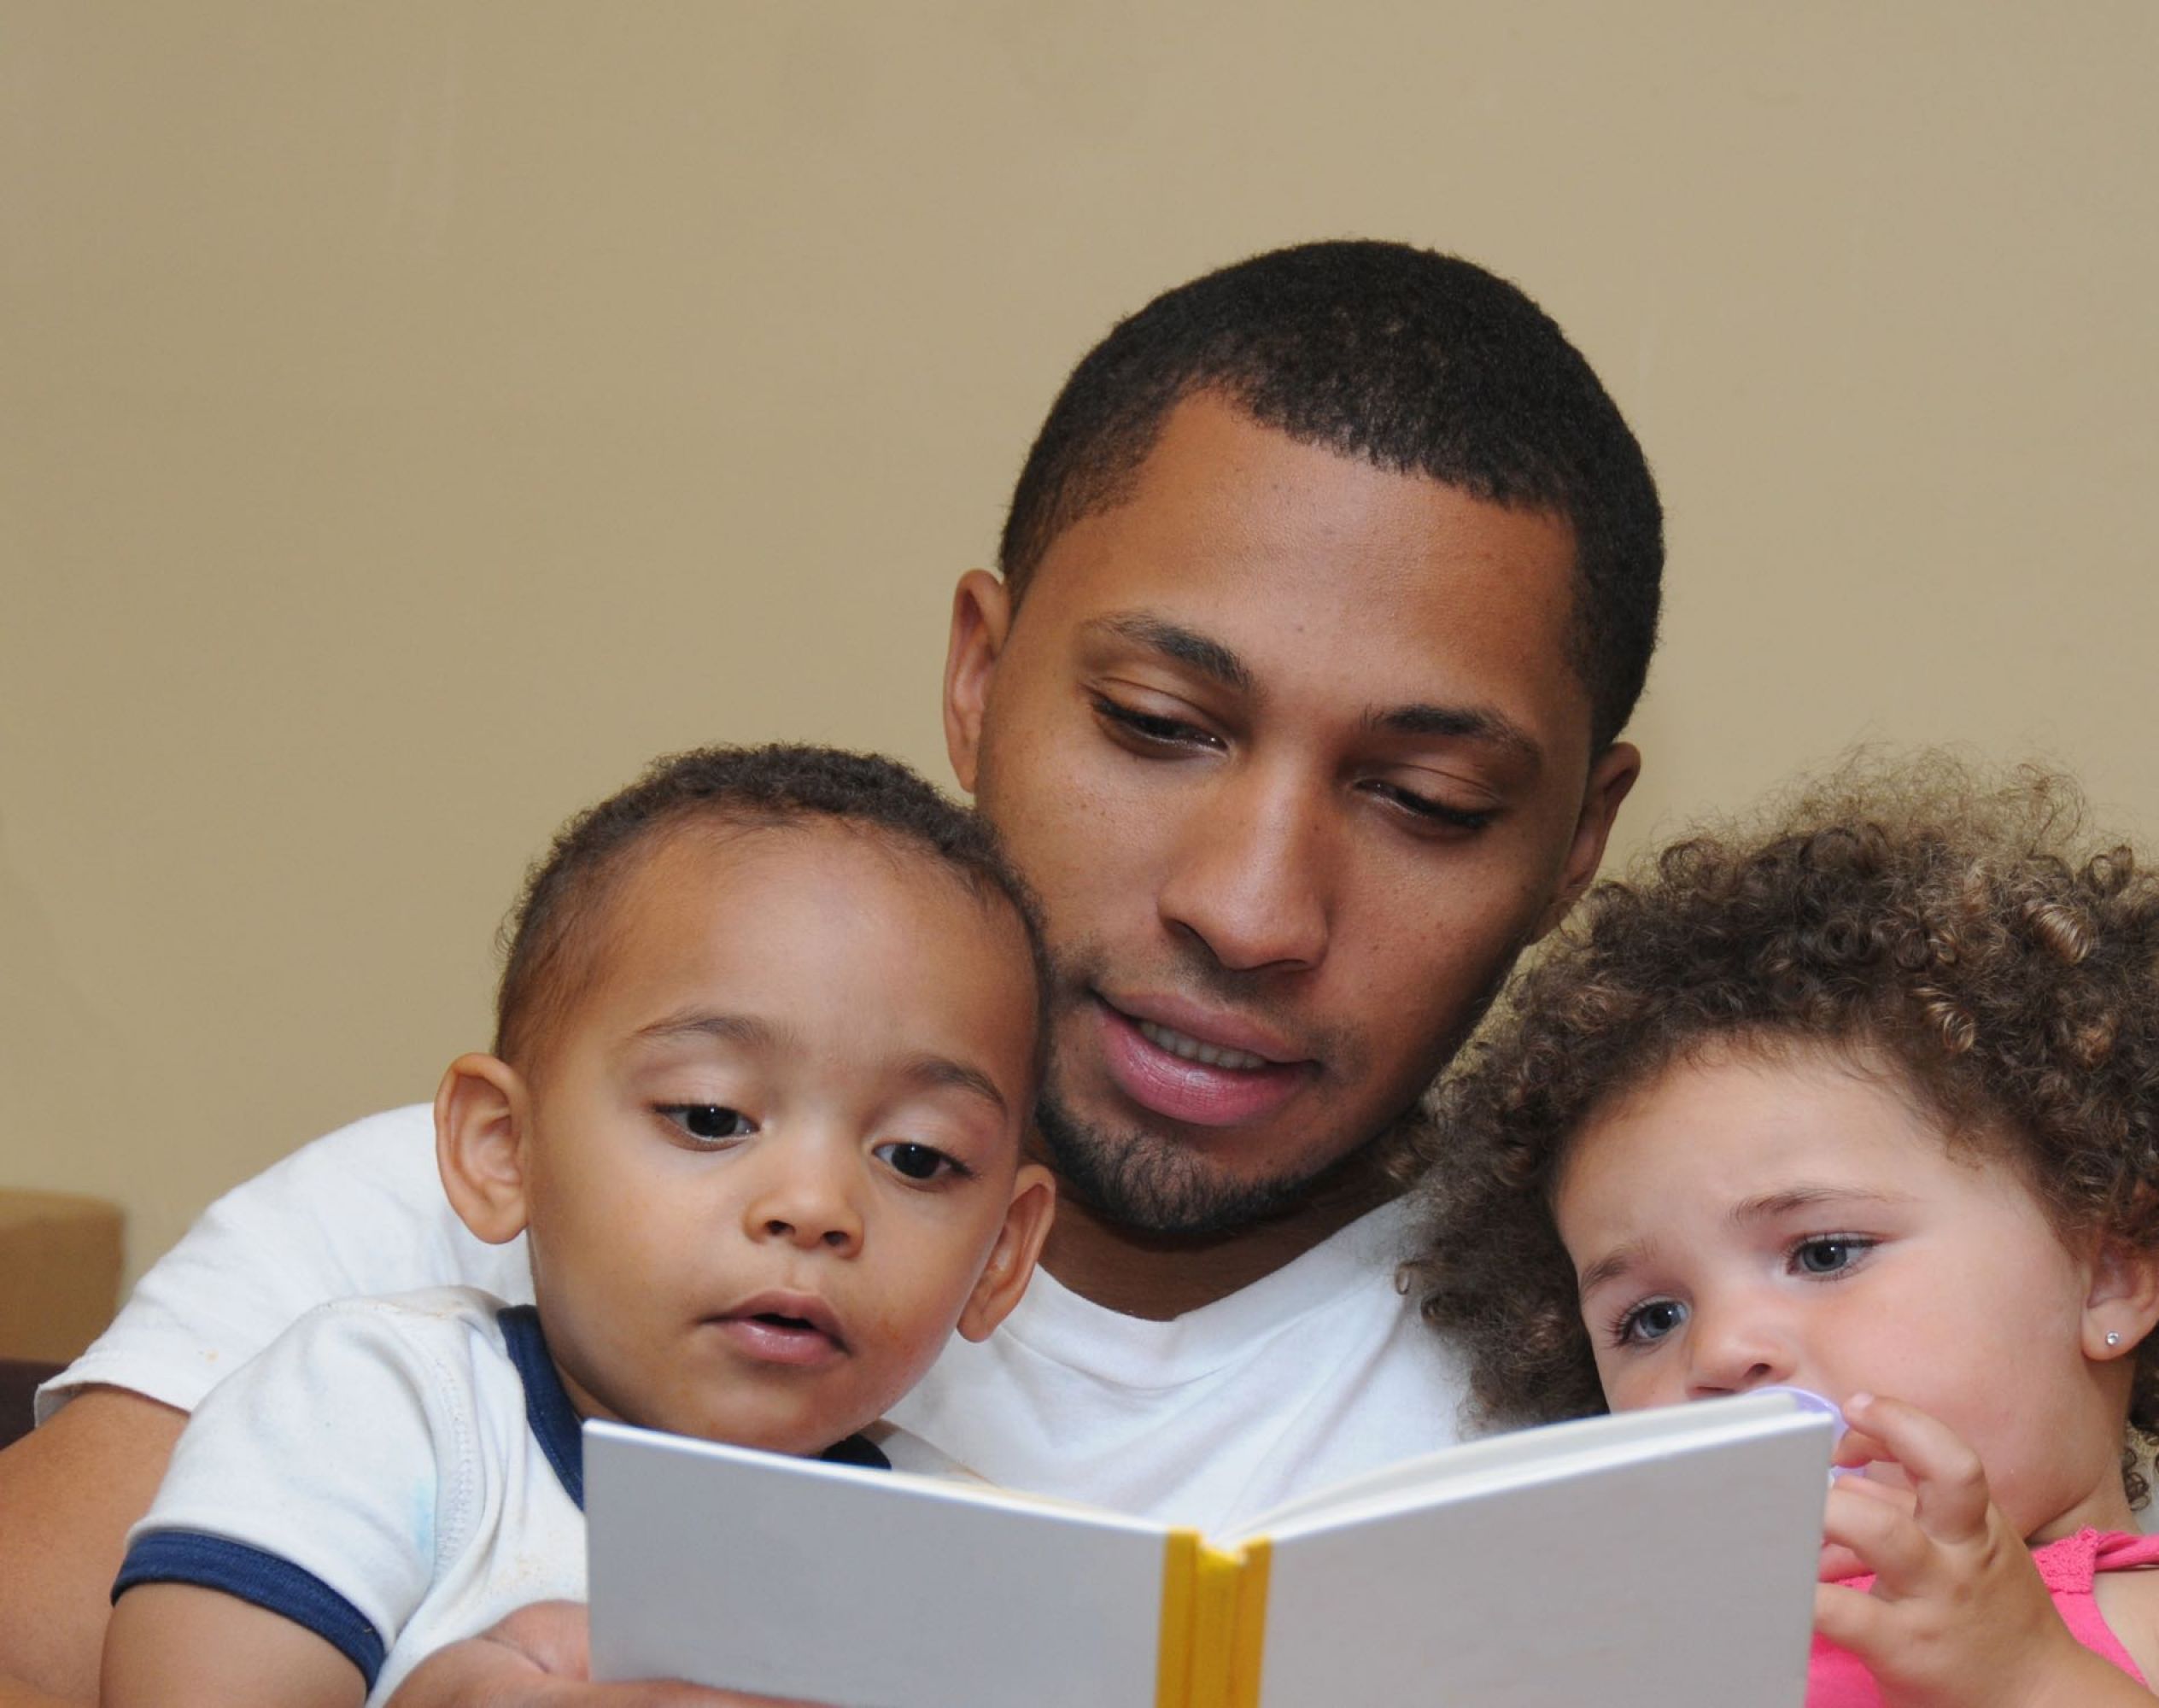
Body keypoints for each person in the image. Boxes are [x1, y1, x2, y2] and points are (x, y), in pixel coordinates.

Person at [0, 238, 1661, 1708]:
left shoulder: (1645, 1362)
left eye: (1425, 801)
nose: (1250, 909)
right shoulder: (453, 1239)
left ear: (1577, 839)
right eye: (1157, 726)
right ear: (981, 675)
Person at [1407, 757, 2159, 1705]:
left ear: (2110, 1276)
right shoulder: (1653, 1660)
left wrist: (2030, 1681)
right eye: (1649, 1316)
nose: (1722, 1350)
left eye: (1823, 1251)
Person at [97, 746, 1057, 1706]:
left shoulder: (973, 1571)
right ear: (504, 1147)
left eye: (919, 1157)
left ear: (1002, 1254)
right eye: (711, 1116)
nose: (813, 1207)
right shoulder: (381, 1412)